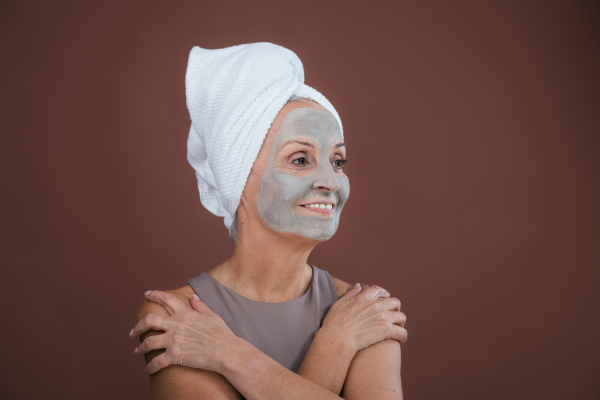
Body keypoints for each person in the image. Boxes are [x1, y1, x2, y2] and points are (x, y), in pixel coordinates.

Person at [129, 42, 408, 399]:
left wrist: (230, 354)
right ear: (239, 181)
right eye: (301, 160)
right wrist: (338, 345)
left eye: (337, 161)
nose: (330, 181)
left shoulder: (364, 310)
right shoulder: (177, 316)